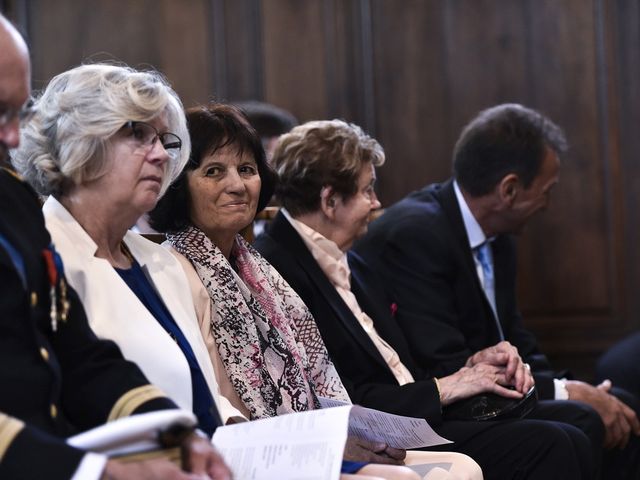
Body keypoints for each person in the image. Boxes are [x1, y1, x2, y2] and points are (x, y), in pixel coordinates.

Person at [149, 103, 483, 480]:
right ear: (178, 183)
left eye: (246, 169)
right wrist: (315, 442)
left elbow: (317, 381)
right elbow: (204, 399)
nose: (237, 185)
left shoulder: (258, 269)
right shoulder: (172, 268)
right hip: (238, 447)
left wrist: (344, 433)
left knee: (460, 468)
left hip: (301, 436)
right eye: (213, 171)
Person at [352, 103, 640, 478]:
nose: (547, 205)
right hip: (442, 405)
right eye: (547, 191)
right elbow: (445, 362)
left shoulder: (499, 232)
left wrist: (571, 385)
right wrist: (567, 393)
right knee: (583, 419)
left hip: (496, 391)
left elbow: (515, 337)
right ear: (509, 189)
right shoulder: (416, 235)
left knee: (622, 405)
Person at [0, 13, 231, 480]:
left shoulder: (12, 202)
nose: (11, 136)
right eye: (136, 134)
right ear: (79, 142)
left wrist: (170, 431)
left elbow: (78, 352)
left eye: (16, 113)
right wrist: (92, 471)